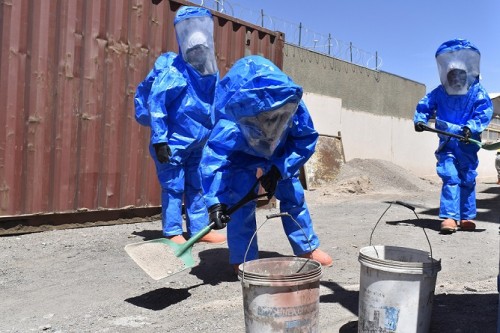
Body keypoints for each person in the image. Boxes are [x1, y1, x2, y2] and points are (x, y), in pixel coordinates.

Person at [200, 55, 333, 273]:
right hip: (244, 154)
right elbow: (216, 159)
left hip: (280, 154)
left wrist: (280, 170)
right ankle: (243, 258)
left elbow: (304, 140)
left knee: (293, 195)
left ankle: (307, 248)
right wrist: (216, 202)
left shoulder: (290, 103)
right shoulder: (234, 115)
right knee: (239, 201)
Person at [134, 6, 225, 244]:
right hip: (172, 143)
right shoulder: (175, 72)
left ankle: (198, 230)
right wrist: (160, 140)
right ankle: (173, 231)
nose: (199, 54)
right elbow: (157, 104)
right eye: (195, 50)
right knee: (173, 187)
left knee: (196, 186)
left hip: (198, 142)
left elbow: (214, 105)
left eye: (203, 49)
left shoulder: (209, 74)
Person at [414, 38, 493, 233]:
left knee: (467, 177)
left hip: (467, 142)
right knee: (450, 176)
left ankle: (465, 216)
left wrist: (471, 128)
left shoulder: (477, 92)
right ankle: (450, 217)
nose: (455, 78)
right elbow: (425, 105)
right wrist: (420, 120)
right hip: (447, 141)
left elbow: (483, 112)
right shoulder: (440, 92)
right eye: (452, 74)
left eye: (459, 74)